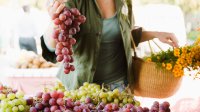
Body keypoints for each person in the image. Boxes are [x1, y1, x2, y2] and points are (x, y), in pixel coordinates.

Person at [41, 0, 179, 91]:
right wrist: (55, 20)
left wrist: (155, 34)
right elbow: (51, 48)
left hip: (120, 87)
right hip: (82, 89)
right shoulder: (74, 2)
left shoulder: (124, 2)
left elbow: (126, 36)